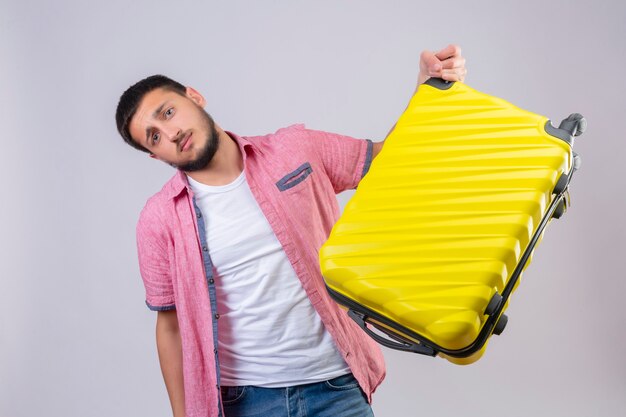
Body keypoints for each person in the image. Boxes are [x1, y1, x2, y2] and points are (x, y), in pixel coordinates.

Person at [115, 45, 466, 417]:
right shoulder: (159, 218)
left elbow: (387, 160)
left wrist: (426, 89)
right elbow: (168, 326)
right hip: (245, 402)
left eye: (168, 113)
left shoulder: (294, 149)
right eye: (154, 137)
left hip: (336, 387)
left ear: (194, 97)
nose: (170, 133)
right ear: (156, 156)